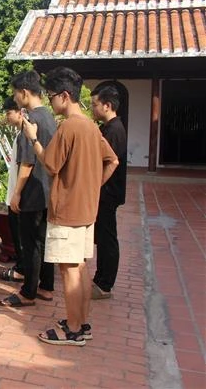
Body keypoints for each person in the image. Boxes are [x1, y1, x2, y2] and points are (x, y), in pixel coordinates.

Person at [21, 66, 118, 346]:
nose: (50, 101)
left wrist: (33, 138)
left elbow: (50, 165)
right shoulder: (90, 125)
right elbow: (112, 161)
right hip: (86, 209)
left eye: (51, 96)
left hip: (67, 212)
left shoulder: (69, 127)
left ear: (64, 95)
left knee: (69, 272)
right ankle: (81, 324)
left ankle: (73, 329)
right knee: (80, 268)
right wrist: (92, 186)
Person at [0, 70, 56, 307]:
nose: (15, 97)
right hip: (47, 190)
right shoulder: (49, 117)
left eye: (15, 93)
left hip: (33, 191)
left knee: (31, 243)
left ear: (24, 93)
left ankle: (28, 292)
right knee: (44, 241)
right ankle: (46, 287)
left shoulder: (31, 120)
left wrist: (17, 193)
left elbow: (27, 162)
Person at [90, 82, 127, 299]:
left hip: (108, 193)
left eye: (95, 104)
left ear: (107, 105)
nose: (93, 108)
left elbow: (109, 164)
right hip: (105, 193)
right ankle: (100, 278)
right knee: (103, 238)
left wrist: (96, 187)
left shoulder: (114, 130)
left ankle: (105, 284)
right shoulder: (108, 128)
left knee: (107, 238)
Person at [0, 96, 25, 283]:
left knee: (21, 237)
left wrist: (17, 194)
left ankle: (23, 270)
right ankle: (22, 267)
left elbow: (26, 166)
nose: (7, 117)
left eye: (9, 113)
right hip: (15, 194)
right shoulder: (19, 135)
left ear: (20, 112)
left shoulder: (25, 135)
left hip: (18, 196)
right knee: (18, 237)